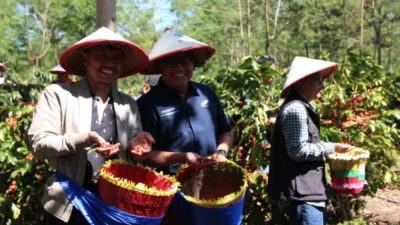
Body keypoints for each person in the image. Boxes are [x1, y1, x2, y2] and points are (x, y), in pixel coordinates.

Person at [28, 27, 154, 225]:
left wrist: (135, 147)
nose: (109, 63)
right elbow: (39, 145)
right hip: (67, 202)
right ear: (85, 58)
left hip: (112, 204)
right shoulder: (58, 94)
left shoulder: (128, 103)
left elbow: (132, 153)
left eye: (116, 57)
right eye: (102, 55)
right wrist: (84, 139)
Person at [267, 56, 353, 225]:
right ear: (301, 82)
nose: (322, 84)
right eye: (317, 78)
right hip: (303, 195)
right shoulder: (296, 109)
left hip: (307, 192)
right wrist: (332, 148)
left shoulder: (302, 107)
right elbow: (297, 151)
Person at [137, 28, 233, 175]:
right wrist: (182, 158)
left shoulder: (206, 93)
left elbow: (225, 130)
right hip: (171, 186)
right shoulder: (148, 104)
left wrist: (221, 151)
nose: (179, 68)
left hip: (212, 177)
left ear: (193, 64)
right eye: (171, 62)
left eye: (185, 61)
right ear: (160, 67)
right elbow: (147, 156)